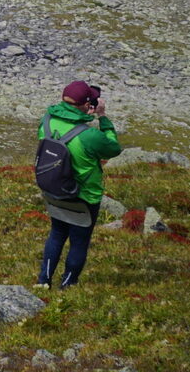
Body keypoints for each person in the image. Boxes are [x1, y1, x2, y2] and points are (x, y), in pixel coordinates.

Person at [36, 79, 122, 289]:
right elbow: (113, 148)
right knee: (79, 241)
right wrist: (102, 117)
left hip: (54, 190)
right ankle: (67, 284)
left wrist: (83, 115)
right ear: (86, 104)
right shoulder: (89, 135)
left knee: (56, 233)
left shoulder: (46, 121)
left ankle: (43, 281)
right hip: (83, 197)